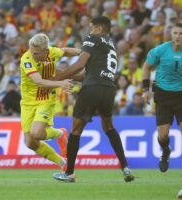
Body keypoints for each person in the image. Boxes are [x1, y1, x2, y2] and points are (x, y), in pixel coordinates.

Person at [52, 16, 134, 183]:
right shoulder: (110, 45)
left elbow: (80, 64)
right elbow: (90, 73)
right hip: (109, 89)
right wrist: (72, 77)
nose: (89, 32)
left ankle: (68, 173)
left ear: (99, 29)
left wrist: (57, 78)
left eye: (91, 28)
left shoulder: (92, 38)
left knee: (75, 130)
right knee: (109, 127)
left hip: (92, 89)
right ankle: (125, 167)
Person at [142, 22, 182, 177]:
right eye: (175, 33)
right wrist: (146, 90)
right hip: (163, 95)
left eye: (181, 33)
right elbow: (146, 67)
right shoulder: (161, 50)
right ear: (171, 34)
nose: (177, 36)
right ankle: (166, 151)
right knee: (163, 135)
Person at [20, 33, 80, 172]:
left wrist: (83, 53)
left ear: (46, 50)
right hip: (28, 102)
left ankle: (60, 135)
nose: (32, 54)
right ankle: (62, 161)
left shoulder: (52, 52)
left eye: (36, 53)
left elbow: (65, 51)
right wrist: (61, 84)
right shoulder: (27, 59)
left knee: (37, 134)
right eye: (32, 51)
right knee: (30, 143)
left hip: (46, 99)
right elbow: (39, 82)